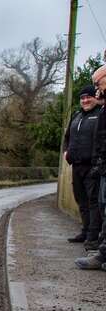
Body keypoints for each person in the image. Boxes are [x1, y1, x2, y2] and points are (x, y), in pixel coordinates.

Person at [64, 85, 103, 249]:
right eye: (82, 98)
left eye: (89, 97)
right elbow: (67, 137)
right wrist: (66, 152)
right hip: (76, 165)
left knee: (93, 201)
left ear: (96, 98)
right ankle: (85, 231)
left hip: (93, 166)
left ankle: (93, 237)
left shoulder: (100, 115)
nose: (85, 100)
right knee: (81, 200)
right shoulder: (76, 116)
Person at [76, 64, 106, 271]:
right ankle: (98, 246)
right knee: (95, 204)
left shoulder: (98, 112)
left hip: (96, 164)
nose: (96, 91)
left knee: (98, 204)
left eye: (98, 84)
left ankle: (94, 242)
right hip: (94, 164)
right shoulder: (80, 116)